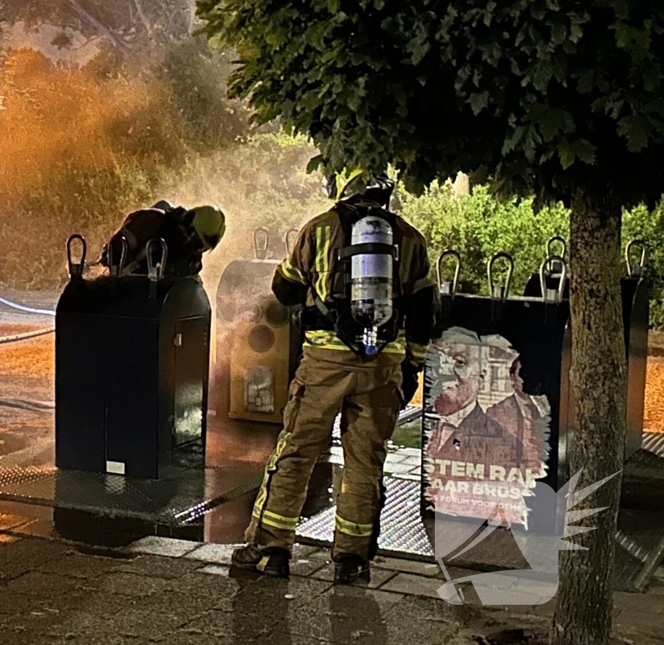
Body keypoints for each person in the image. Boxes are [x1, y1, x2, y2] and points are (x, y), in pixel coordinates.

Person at [231, 172, 436, 584]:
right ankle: (351, 560)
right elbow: (426, 310)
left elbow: (285, 289)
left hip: (325, 363)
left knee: (297, 451)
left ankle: (270, 549)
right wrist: (412, 366)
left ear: (347, 195)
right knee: (365, 462)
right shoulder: (411, 239)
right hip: (383, 367)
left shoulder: (320, 229)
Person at [99, 203, 226, 279]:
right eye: (198, 242)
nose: (197, 249)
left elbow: (188, 294)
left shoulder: (192, 262)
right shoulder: (152, 221)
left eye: (202, 248)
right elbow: (115, 248)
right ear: (189, 224)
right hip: (116, 295)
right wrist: (131, 275)